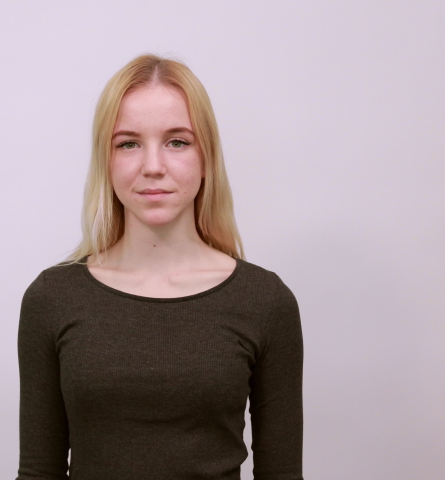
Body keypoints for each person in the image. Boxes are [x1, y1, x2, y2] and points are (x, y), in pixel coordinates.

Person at [16, 54, 304, 480]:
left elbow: (281, 475)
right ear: (106, 161)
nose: (153, 166)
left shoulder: (265, 302)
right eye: (128, 143)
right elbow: (40, 472)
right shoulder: (52, 299)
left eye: (177, 141)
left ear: (206, 157)